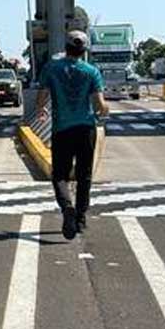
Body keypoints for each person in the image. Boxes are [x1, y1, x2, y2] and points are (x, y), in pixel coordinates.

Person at [35, 30, 109, 240]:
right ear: (83, 50)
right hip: (86, 128)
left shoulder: (51, 68)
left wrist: (42, 110)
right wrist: (105, 110)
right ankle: (81, 218)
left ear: (66, 47)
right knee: (84, 175)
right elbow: (99, 105)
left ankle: (67, 207)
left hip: (61, 129)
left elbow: (41, 98)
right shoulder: (91, 71)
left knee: (59, 174)